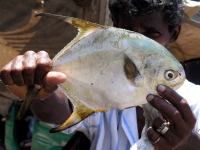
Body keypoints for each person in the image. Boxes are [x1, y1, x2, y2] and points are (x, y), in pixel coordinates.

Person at [1, 0, 200, 149]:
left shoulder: (197, 101)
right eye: (128, 31)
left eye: (151, 33)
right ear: (114, 27)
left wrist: (187, 142)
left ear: (173, 34)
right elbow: (59, 113)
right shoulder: (103, 90)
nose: (138, 43)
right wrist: (42, 91)